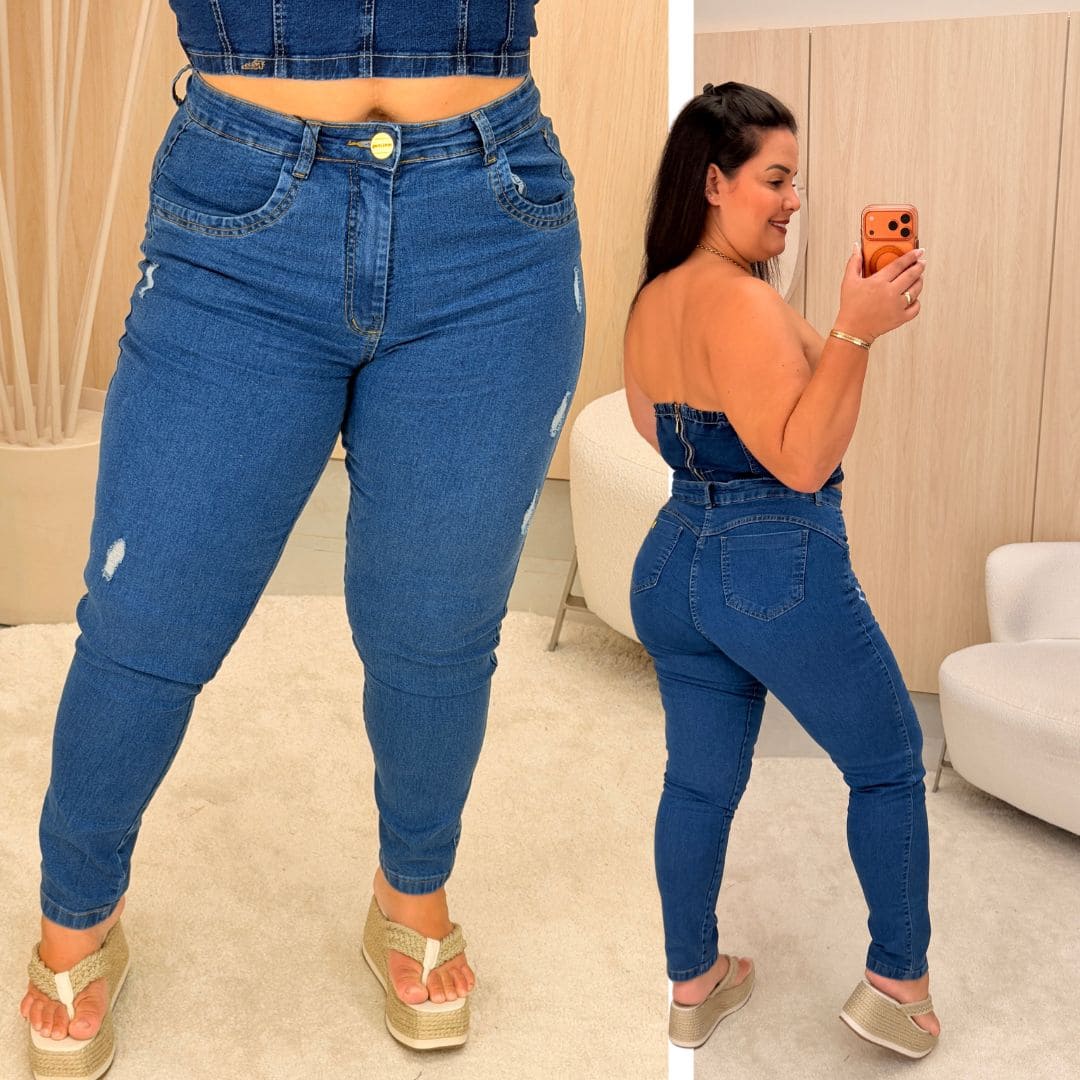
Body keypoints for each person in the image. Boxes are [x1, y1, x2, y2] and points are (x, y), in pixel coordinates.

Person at [20, 3, 585, 1074]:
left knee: (436, 626)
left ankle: (411, 892)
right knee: (147, 617)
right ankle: (79, 906)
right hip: (242, 208)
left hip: (491, 216)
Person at [622, 82, 939, 1058]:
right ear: (715, 183)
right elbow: (802, 462)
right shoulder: (745, 305)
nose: (794, 199)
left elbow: (656, 428)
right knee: (889, 763)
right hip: (771, 567)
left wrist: (848, 326)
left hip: (672, 560)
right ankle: (899, 987)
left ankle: (694, 984)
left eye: (795, 181)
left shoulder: (657, 297)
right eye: (776, 179)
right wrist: (852, 331)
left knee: (697, 784)